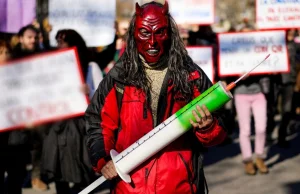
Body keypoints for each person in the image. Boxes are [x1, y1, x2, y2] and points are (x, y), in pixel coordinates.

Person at [85, 2, 227, 193]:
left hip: (179, 186)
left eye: (159, 32)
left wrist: (208, 126)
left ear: (170, 33)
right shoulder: (119, 77)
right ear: (134, 33)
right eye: (144, 32)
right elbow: (98, 123)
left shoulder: (190, 76)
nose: (152, 42)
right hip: (131, 187)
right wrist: (104, 159)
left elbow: (222, 126)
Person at [42, 29, 102, 194]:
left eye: (62, 41)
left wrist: (87, 92)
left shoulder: (91, 66)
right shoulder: (54, 66)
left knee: (81, 165)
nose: (59, 45)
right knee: (58, 163)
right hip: (58, 122)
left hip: (80, 124)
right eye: (58, 42)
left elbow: (102, 97)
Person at [233, 26, 269, 175]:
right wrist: (237, 73)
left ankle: (259, 156)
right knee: (245, 130)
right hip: (241, 94)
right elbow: (225, 71)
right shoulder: (232, 53)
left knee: (261, 128)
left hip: (258, 93)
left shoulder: (258, 51)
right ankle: (248, 160)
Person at [0, 40, 29, 194]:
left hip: (17, 138)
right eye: (1, 53)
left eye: (7, 52)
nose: (5, 56)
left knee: (15, 180)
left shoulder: (20, 76)